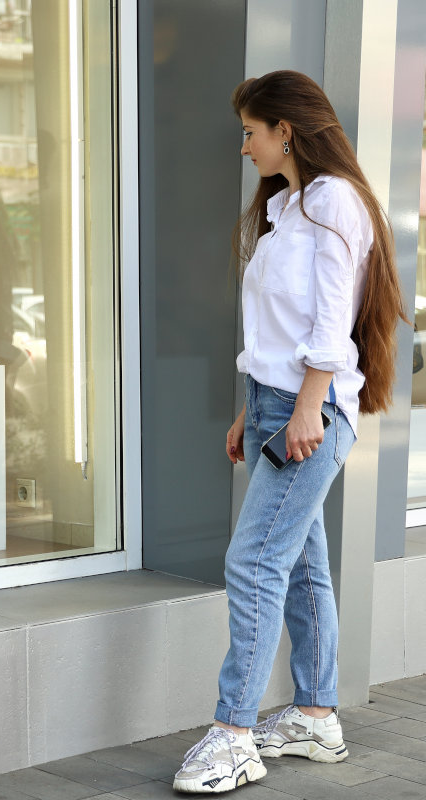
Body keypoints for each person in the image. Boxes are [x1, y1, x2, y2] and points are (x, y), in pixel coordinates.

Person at [173, 70, 408, 794]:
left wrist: (307, 407)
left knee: (253, 562)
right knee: (300, 567)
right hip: (278, 405)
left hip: (311, 410)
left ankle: (234, 733)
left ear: (287, 131)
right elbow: (277, 326)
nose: (244, 147)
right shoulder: (290, 206)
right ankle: (315, 716)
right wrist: (253, 407)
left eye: (251, 132)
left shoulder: (334, 200)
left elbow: (329, 322)